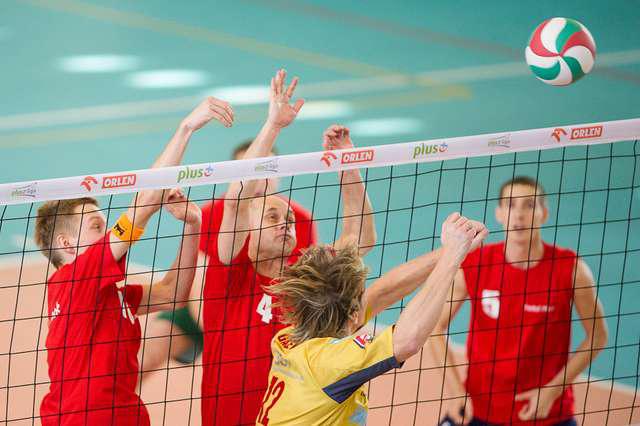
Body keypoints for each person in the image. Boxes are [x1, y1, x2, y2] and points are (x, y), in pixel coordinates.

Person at [34, 97, 233, 426]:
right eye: (96, 226)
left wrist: (193, 225)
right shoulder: (75, 278)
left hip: (123, 414)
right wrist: (186, 128)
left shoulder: (105, 295)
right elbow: (148, 198)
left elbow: (172, 295)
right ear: (67, 245)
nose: (108, 232)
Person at [200, 69, 376, 425]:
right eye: (272, 216)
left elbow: (360, 238)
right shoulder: (229, 268)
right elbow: (237, 197)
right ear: (248, 227)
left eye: (290, 219)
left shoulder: (305, 271)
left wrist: (349, 164)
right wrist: (274, 125)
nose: (285, 222)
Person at [256, 213, 488, 425]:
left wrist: (451, 250)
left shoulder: (291, 336)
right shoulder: (331, 363)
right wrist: (452, 257)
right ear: (353, 314)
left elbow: (382, 292)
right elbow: (407, 340)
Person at [433, 176, 609, 426]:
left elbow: (598, 336)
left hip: (547, 414)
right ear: (499, 213)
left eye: (529, 205)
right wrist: (455, 391)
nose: (519, 214)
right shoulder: (476, 263)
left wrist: (552, 391)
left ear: (543, 213)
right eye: (510, 204)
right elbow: (435, 328)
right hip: (478, 410)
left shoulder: (571, 269)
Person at [147, 138, 317, 368]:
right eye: (250, 171)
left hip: (268, 309)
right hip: (208, 305)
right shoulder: (211, 214)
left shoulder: (298, 220)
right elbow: (199, 285)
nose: (257, 180)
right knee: (151, 346)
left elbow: (304, 285)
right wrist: (219, 335)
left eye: (266, 170)